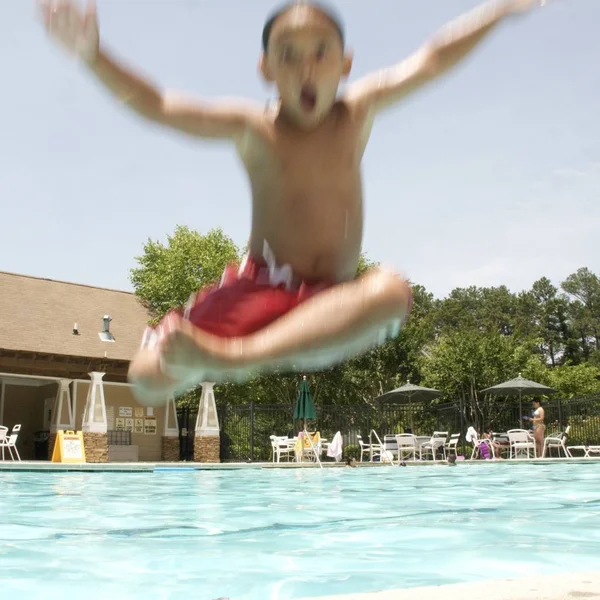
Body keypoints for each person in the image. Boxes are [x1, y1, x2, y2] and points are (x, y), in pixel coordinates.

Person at [40, 0, 548, 405]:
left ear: (346, 63)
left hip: (326, 305)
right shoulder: (255, 130)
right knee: (146, 378)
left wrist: (499, 10)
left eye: (321, 51)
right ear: (265, 70)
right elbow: (161, 105)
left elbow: (434, 57)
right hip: (263, 284)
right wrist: (91, 53)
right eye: (288, 54)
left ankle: (235, 357)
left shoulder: (358, 111)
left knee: (392, 293)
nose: (306, 66)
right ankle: (224, 353)